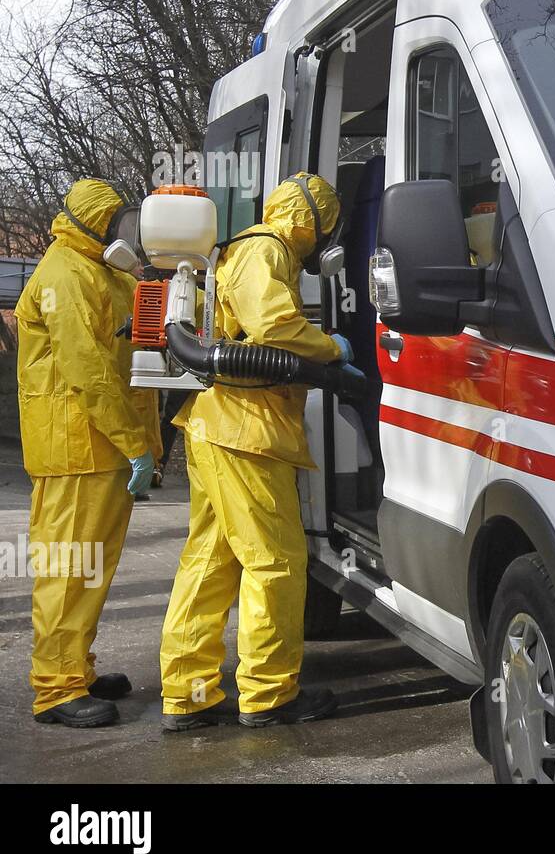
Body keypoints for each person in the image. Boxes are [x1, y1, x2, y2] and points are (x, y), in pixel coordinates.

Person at [159, 172, 353, 730]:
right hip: (248, 433)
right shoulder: (266, 248)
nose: (324, 237)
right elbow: (272, 325)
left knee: (211, 562)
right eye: (325, 223)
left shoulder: (247, 250)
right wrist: (329, 350)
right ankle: (268, 695)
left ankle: (189, 694)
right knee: (275, 561)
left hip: (217, 427)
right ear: (308, 218)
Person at [16, 178, 159, 728]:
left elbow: (128, 355)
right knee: (69, 569)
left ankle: (76, 667)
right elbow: (88, 372)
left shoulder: (101, 270)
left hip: (99, 446)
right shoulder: (66, 275)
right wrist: (134, 441)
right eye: (117, 226)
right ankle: (55, 689)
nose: (126, 237)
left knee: (90, 568)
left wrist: (140, 440)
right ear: (92, 226)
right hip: (75, 447)